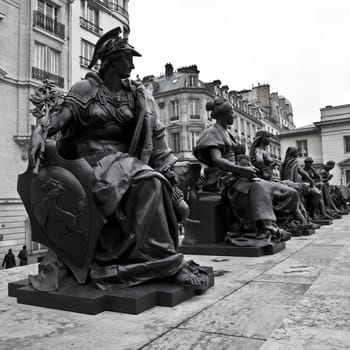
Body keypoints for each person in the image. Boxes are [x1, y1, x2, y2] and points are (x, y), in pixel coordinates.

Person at [28, 27, 208, 291]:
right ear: (112, 59)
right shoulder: (85, 88)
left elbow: (155, 135)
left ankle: (152, 259)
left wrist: (170, 171)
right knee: (149, 183)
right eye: (128, 58)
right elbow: (59, 119)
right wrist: (40, 130)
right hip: (90, 163)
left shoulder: (135, 96)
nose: (133, 64)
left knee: (158, 187)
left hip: (126, 164)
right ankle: (166, 262)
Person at [193, 97, 291, 245]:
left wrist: (244, 169)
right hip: (221, 178)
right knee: (257, 186)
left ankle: (273, 224)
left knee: (270, 186)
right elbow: (218, 160)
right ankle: (264, 228)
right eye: (232, 112)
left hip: (234, 174)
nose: (234, 115)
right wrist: (242, 170)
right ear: (224, 114)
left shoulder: (228, 133)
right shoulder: (212, 132)